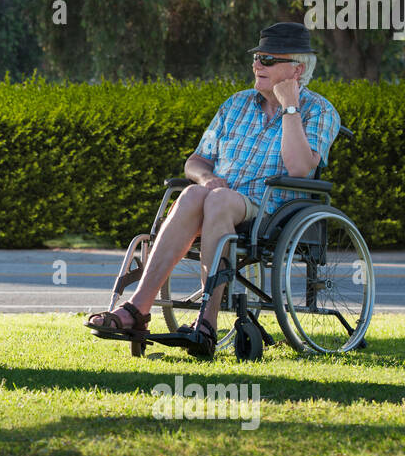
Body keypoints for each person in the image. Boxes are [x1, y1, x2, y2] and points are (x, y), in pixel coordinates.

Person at [86, 22, 341, 356]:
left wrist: (290, 107)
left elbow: (299, 168)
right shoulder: (235, 105)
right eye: (256, 58)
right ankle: (138, 309)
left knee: (217, 199)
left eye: (267, 59)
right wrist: (206, 179)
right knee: (193, 192)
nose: (256, 65)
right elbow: (195, 162)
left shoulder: (319, 110)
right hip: (216, 201)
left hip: (271, 211)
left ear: (298, 69)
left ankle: (206, 324)